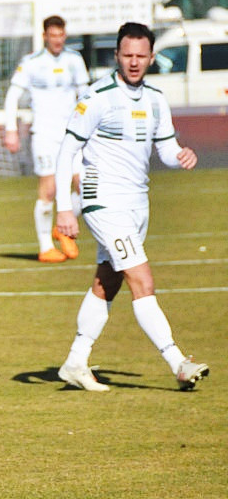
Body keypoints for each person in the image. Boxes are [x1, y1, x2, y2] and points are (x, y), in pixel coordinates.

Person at [54, 22, 209, 393]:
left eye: (141, 56)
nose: (134, 62)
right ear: (117, 56)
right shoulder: (98, 97)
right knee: (142, 279)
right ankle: (178, 362)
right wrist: (64, 208)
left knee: (107, 282)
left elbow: (166, 150)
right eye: (128, 55)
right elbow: (66, 152)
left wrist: (181, 155)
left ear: (152, 57)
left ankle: (76, 361)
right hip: (103, 202)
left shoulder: (156, 99)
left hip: (137, 203)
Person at [4, 15, 90, 263]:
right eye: (52, 36)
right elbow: (12, 96)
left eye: (61, 35)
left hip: (71, 134)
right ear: (45, 36)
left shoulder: (74, 60)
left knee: (86, 185)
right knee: (49, 190)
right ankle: (45, 247)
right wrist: (11, 129)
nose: (57, 40)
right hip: (44, 134)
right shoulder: (31, 63)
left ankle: (61, 228)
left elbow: (84, 96)